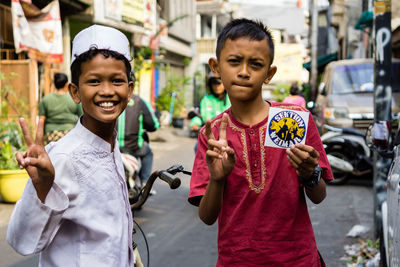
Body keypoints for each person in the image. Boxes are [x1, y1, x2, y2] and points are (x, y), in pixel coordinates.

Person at [188, 18, 333, 266]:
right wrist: (217, 179)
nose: (244, 72)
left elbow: (318, 196)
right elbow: (207, 216)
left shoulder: (294, 121)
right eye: (234, 62)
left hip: (298, 260)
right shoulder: (210, 134)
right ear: (216, 67)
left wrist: (310, 173)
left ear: (269, 73)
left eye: (256, 64)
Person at [7, 25, 135, 266]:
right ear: (75, 93)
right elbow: (21, 241)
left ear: (129, 91)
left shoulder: (110, 144)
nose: (107, 91)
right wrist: (42, 188)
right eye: (94, 81)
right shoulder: (64, 157)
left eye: (117, 81)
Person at [117, 90, 160, 190]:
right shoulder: (139, 101)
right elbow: (153, 125)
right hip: (133, 146)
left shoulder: (111, 100)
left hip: (112, 146)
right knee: (148, 153)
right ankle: (145, 183)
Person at [38, 72, 82, 145]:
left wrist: (40, 141)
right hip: (70, 133)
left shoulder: (46, 99)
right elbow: (82, 117)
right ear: (67, 84)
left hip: (51, 135)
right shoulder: (74, 98)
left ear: (55, 84)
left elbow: (41, 121)